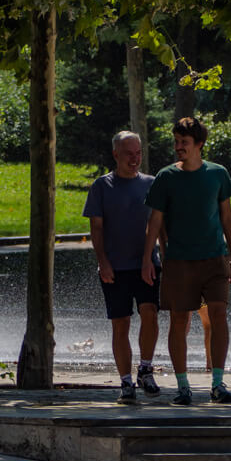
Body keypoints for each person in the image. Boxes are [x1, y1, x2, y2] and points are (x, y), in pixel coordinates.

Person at [142, 117, 231, 406]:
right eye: (176, 142)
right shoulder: (166, 177)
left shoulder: (218, 174)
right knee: (179, 319)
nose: (178, 147)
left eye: (184, 142)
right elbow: (155, 220)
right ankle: (183, 387)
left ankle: (218, 383)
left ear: (199, 145)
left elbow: (227, 218)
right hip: (179, 261)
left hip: (214, 258)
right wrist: (148, 258)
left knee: (219, 313)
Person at [83, 132, 163, 405]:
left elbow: (158, 225)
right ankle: (126, 382)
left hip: (145, 264)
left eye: (138, 152)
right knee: (121, 323)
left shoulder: (151, 184)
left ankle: (146, 368)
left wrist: (152, 260)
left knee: (150, 313)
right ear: (116, 154)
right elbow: (96, 228)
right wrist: (102, 262)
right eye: (129, 153)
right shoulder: (102, 186)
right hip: (115, 267)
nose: (134, 158)